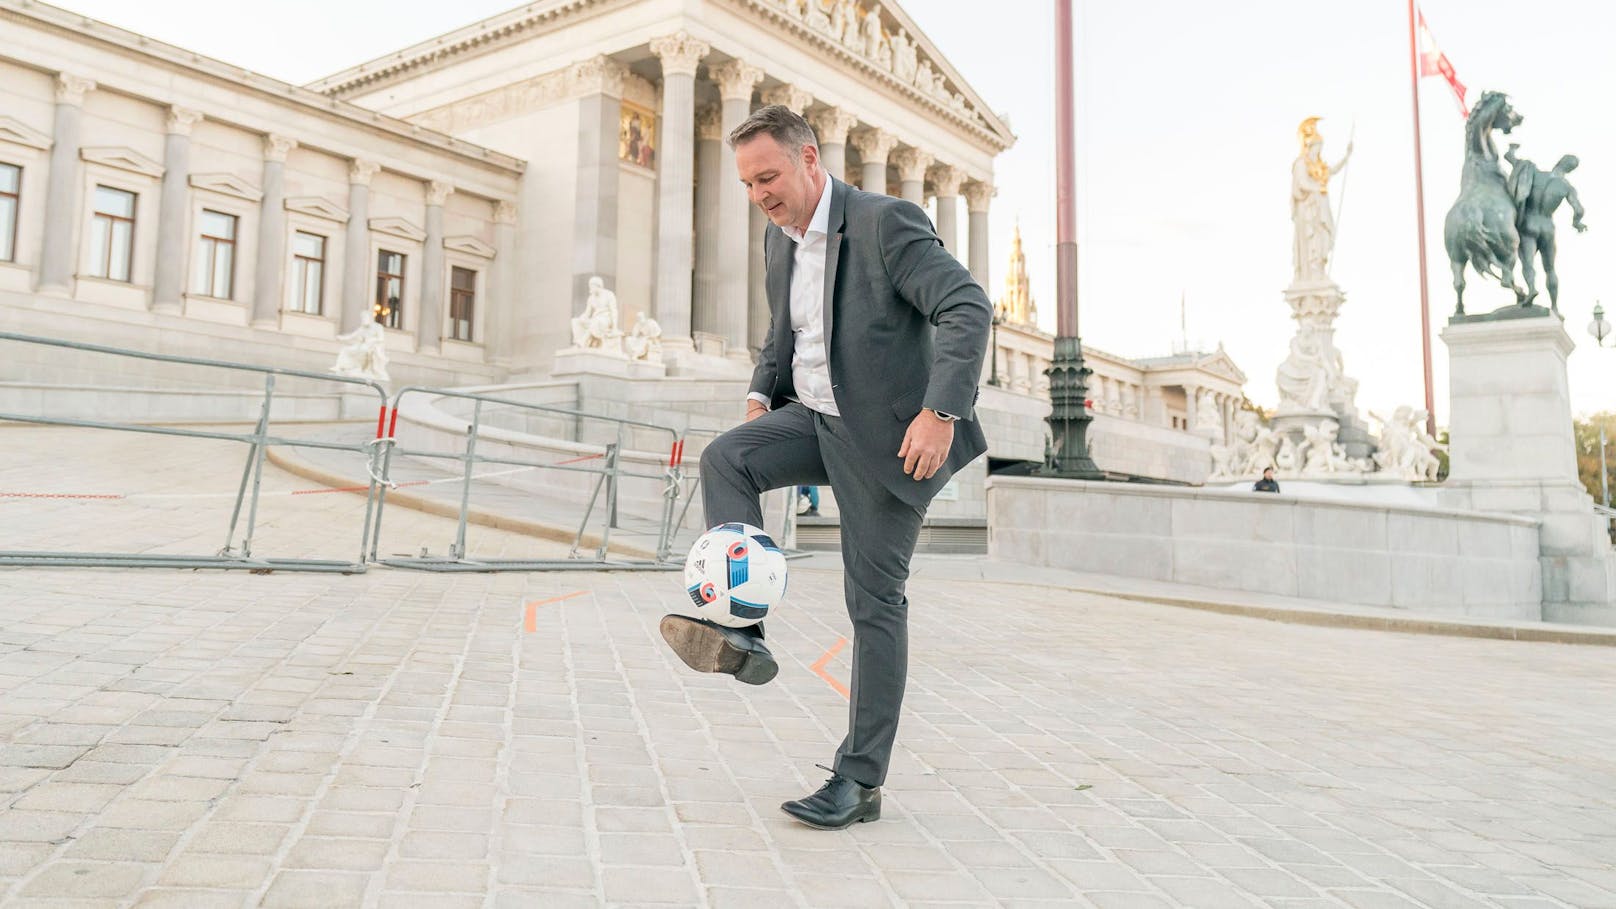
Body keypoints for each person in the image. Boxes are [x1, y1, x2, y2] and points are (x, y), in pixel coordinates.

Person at [658, 105, 990, 830]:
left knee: (874, 605)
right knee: (728, 458)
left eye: (768, 178)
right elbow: (786, 335)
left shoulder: (884, 223)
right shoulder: (780, 243)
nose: (759, 197)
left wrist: (942, 412)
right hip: (814, 417)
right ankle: (743, 628)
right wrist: (757, 397)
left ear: (811, 160)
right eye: (746, 185)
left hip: (889, 440)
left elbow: (966, 305)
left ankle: (861, 780)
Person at [1505, 143, 1588, 311]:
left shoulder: (1535, 174)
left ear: (1559, 161)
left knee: (1528, 263)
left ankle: (1532, 288)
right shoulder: (1567, 187)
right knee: (1550, 268)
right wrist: (1576, 223)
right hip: (1548, 228)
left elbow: (1510, 158)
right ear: (1570, 170)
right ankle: (1555, 307)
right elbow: (1578, 209)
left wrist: (1512, 149)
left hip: (1529, 224)